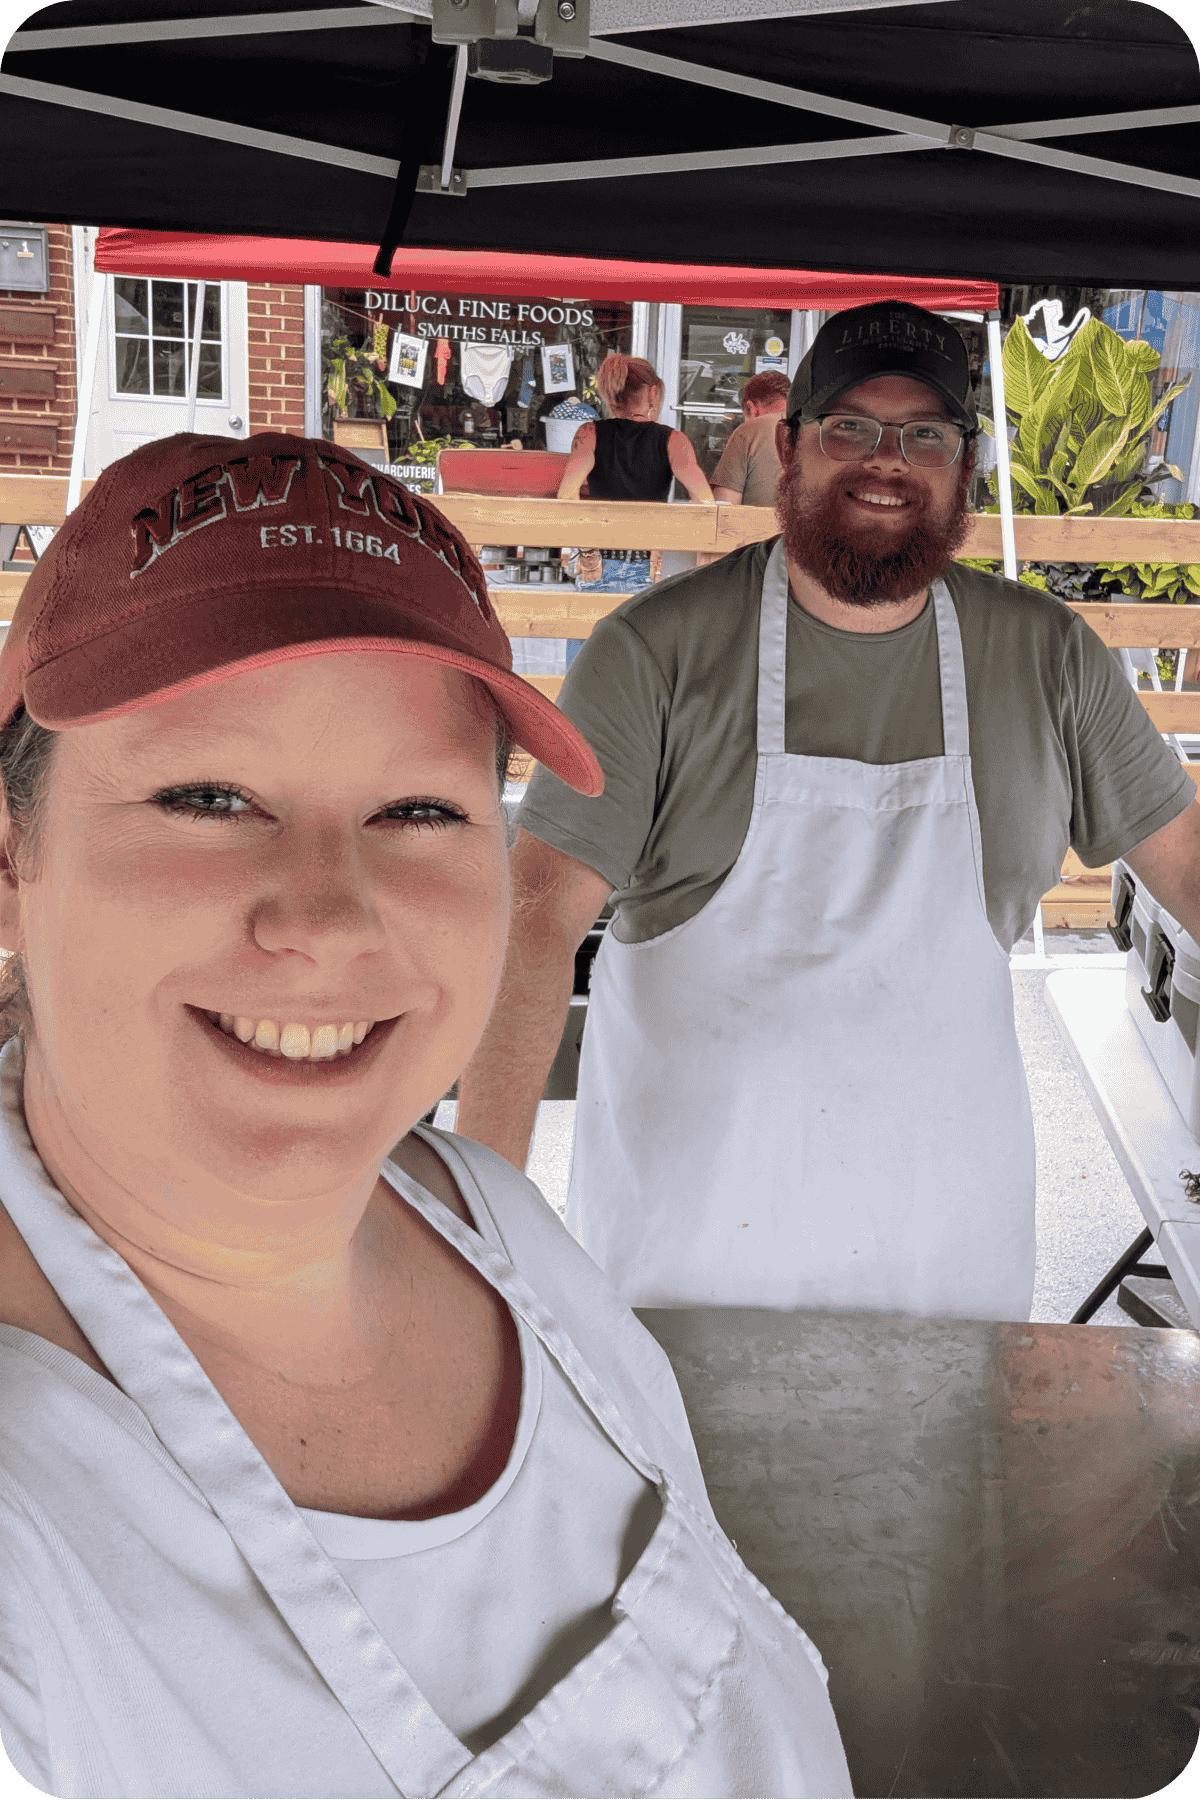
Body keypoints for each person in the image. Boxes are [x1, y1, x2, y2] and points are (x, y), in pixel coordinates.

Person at [0, 434, 852, 1798]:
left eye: (417, 809)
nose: (328, 916)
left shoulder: (493, 1220)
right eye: (210, 797)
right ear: (11, 858)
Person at [457, 299, 1200, 1322]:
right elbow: (536, 923)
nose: (886, 460)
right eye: (852, 425)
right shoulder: (655, 654)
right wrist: (482, 1232)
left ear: (964, 466)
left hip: (946, 1262)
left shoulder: (1045, 657)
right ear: (791, 448)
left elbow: (1188, 867)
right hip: (689, 1265)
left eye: (925, 434)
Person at [558, 355, 713, 645]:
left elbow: (566, 496)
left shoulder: (589, 433)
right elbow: (705, 502)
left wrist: (587, 549)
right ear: (653, 391)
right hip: (645, 567)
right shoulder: (673, 440)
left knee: (584, 668)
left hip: (597, 564)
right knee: (637, 672)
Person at [710, 368, 791, 509]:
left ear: (751, 408)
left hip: (759, 530)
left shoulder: (749, 430)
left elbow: (724, 507)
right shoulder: (817, 429)